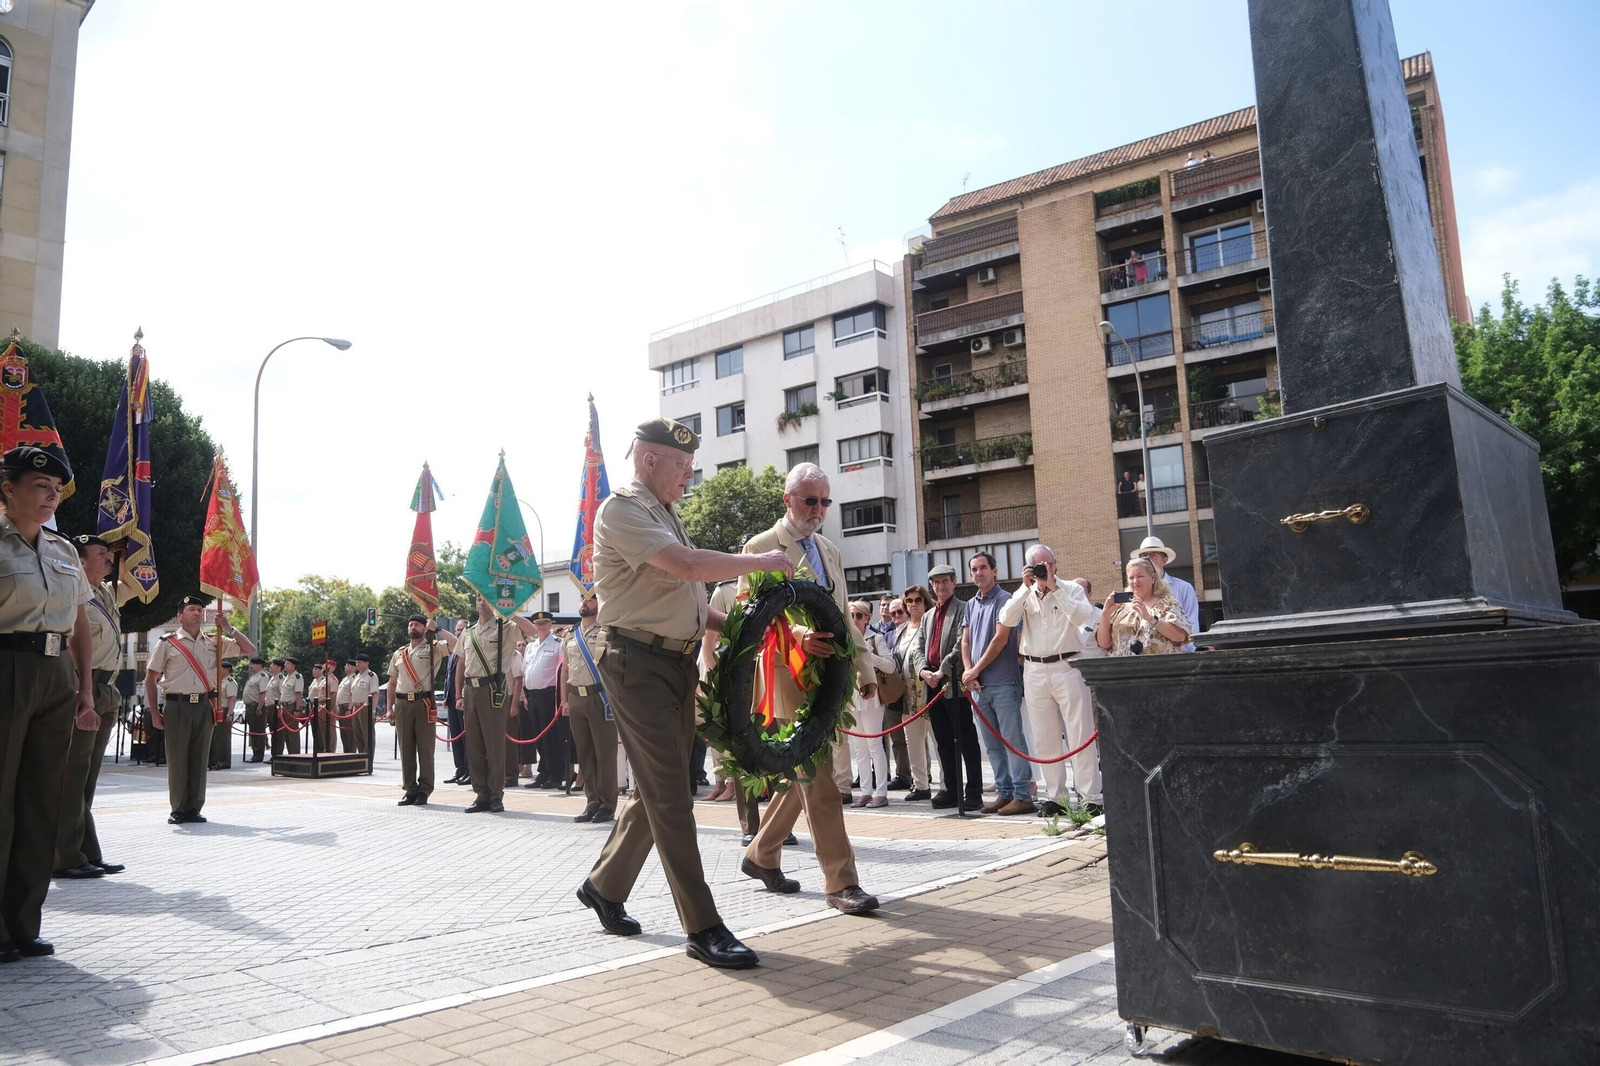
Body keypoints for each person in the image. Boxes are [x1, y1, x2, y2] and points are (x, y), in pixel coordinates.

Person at [578, 416, 794, 970]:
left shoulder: (665, 512)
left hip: (674, 662)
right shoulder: (622, 510)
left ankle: (605, 886)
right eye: (681, 464)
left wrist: (743, 624)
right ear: (649, 460)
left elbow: (689, 601)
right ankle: (703, 926)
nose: (689, 474)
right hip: (635, 663)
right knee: (673, 795)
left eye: (690, 465)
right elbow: (688, 567)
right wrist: (763, 562)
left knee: (660, 786)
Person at [738, 463, 881, 915]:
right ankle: (842, 882)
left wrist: (866, 670)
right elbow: (752, 617)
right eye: (809, 500)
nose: (818, 509)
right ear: (788, 500)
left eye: (825, 501)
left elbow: (843, 616)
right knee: (820, 783)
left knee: (801, 779)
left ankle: (761, 855)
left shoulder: (829, 550)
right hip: (787, 681)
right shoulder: (760, 547)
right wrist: (799, 637)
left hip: (829, 682)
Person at [0, 447, 96, 961]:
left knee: (42, 801)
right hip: (5, 666)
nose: (51, 495)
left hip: (56, 674)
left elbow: (79, 622)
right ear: (8, 488)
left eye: (56, 489)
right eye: (40, 485)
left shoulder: (62, 550)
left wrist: (84, 689)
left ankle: (23, 924)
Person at [986, 546, 1102, 818]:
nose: (1043, 569)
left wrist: (1055, 589)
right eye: (1037, 565)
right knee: (1045, 737)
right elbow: (1006, 618)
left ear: (1055, 563)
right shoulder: (1025, 593)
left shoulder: (1071, 589)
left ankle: (1092, 798)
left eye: (1047, 564)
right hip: (1035, 669)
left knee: (1080, 733)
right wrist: (1024, 588)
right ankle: (1056, 797)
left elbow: (1081, 616)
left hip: (1068, 665)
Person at [145, 594, 255, 825]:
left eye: (199, 609)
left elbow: (249, 649)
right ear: (179, 616)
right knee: (177, 758)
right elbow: (151, 678)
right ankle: (178, 808)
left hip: (205, 705)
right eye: (191, 609)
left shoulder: (214, 641)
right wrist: (154, 712)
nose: (196, 613)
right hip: (177, 705)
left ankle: (194, 807)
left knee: (200, 757)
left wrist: (229, 627)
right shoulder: (167, 642)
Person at [54, 533, 125, 880]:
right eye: (102, 553)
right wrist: (81, 692)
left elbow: (139, 581)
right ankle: (64, 855)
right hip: (86, 685)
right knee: (72, 775)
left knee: (88, 777)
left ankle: (85, 850)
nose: (109, 558)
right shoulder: (71, 593)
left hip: (107, 688)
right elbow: (69, 643)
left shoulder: (105, 593)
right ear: (81, 561)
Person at [960, 552, 1033, 816]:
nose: (978, 573)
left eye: (983, 567)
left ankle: (1023, 795)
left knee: (1013, 741)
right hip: (978, 687)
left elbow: (1000, 641)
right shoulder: (971, 604)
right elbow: (965, 641)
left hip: (1003, 682)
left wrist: (975, 670)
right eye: (974, 569)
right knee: (991, 745)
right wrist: (969, 672)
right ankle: (1005, 793)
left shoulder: (1006, 600)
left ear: (994, 570)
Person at [459, 595, 540, 813]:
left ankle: (496, 795)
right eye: (478, 599)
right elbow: (461, 662)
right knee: (474, 745)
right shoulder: (469, 631)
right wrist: (458, 694)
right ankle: (481, 794)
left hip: (493, 688)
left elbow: (531, 630)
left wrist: (509, 612)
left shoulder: (506, 627)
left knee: (494, 745)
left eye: (486, 598)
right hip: (471, 689)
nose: (482, 602)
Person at [914, 565, 983, 812]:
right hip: (932, 684)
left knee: (966, 740)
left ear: (954, 582)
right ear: (931, 586)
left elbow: (961, 644)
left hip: (954, 682)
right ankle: (952, 791)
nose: (940, 586)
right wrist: (923, 671)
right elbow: (918, 647)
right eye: (936, 582)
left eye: (945, 581)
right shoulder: (927, 616)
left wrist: (942, 671)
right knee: (943, 740)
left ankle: (973, 792)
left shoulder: (964, 608)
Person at [388, 614, 455, 807]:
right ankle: (410, 789)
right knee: (406, 749)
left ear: (425, 628)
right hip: (402, 703)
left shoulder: (433, 648)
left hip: (423, 702)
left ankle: (425, 789)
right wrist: (390, 707)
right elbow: (392, 682)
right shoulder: (399, 653)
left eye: (417, 624)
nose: (412, 627)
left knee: (425, 749)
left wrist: (438, 629)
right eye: (410, 624)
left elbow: (457, 644)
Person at [561, 593, 616, 822]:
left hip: (600, 696)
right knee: (584, 753)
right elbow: (565, 669)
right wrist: (564, 700)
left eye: (591, 598)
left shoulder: (607, 631)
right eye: (583, 598)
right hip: (576, 697)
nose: (585, 602)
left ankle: (607, 805)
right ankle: (592, 802)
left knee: (604, 754)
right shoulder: (571, 634)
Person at [846, 600, 895, 808]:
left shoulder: (876, 638)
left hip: (872, 699)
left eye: (859, 615)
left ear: (867, 618)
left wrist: (869, 655)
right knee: (859, 747)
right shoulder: (845, 638)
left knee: (875, 745)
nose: (855, 619)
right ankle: (865, 791)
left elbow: (891, 666)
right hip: (851, 698)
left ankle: (881, 792)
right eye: (851, 615)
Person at [1098, 557, 1192, 657]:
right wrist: (1105, 614)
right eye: (1131, 578)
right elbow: (1104, 644)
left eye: (1140, 576)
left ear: (1153, 578)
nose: (1135, 581)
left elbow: (1180, 636)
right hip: (1124, 666)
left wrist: (1150, 618)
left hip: (1158, 665)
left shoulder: (1167, 603)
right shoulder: (1121, 607)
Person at [894, 585, 934, 801]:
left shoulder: (932, 623)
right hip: (907, 695)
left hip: (930, 692)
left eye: (918, 600)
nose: (913, 604)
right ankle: (921, 786)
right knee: (913, 743)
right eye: (908, 601)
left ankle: (948, 786)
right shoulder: (902, 630)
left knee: (939, 741)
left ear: (925, 602)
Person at [1131, 535, 1199, 651]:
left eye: (1153, 555)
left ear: (1165, 560)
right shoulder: (1134, 591)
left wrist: (1186, 652)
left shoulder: (1183, 588)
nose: (1148, 559)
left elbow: (1192, 626)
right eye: (1144, 556)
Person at [522, 610, 563, 788]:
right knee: (538, 736)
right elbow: (525, 671)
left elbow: (562, 670)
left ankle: (556, 773)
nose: (541, 626)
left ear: (550, 624)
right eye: (538, 624)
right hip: (532, 695)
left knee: (550, 737)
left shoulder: (558, 644)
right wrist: (525, 695)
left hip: (549, 694)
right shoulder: (530, 646)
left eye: (545, 623)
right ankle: (544, 771)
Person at [877, 597, 911, 790]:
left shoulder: (914, 631)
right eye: (893, 613)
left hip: (912, 691)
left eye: (899, 612)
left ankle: (922, 775)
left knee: (915, 738)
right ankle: (903, 775)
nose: (896, 616)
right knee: (897, 738)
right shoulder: (887, 636)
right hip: (893, 692)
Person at [444, 620, 469, 785]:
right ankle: (460, 769)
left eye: (461, 630)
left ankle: (469, 769)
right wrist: (447, 696)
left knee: (467, 737)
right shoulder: (454, 652)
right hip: (453, 700)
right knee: (456, 736)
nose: (458, 633)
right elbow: (449, 676)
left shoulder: (467, 649)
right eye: (457, 630)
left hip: (464, 699)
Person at [209, 665, 239, 769]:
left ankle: (224, 761)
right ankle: (216, 760)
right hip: (216, 710)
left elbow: (232, 699)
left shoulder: (230, 682)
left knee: (223, 737)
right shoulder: (218, 681)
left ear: (226, 670)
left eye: (220, 668)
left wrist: (229, 714)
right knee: (216, 737)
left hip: (225, 710)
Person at [348, 652, 379, 752]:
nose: (357, 664)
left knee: (368, 735)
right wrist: (351, 708)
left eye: (360, 662)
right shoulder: (356, 677)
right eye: (356, 662)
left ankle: (368, 758)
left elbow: (375, 694)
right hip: (356, 708)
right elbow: (353, 694)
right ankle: (361, 757)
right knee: (358, 736)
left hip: (366, 707)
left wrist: (373, 710)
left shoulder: (371, 676)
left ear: (367, 663)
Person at [241, 656, 269, 762]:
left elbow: (263, 693)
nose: (251, 666)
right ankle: (255, 753)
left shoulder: (262, 676)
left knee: (258, 731)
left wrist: (259, 707)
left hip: (256, 706)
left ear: (259, 665)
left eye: (253, 664)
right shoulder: (253, 677)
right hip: (250, 707)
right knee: (253, 731)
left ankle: (258, 754)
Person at [276, 656, 305, 754]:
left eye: (287, 663)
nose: (285, 665)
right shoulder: (287, 677)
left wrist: (297, 709)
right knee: (286, 734)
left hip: (291, 706)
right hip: (284, 707)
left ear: (293, 665)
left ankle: (295, 755)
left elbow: (298, 694)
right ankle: (290, 754)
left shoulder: (297, 677)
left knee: (292, 732)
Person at [305, 662, 332, 753]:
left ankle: (321, 749)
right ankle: (317, 749)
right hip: (311, 706)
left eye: (316, 669)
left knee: (320, 729)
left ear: (321, 671)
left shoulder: (323, 680)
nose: (313, 671)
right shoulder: (314, 681)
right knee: (314, 729)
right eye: (313, 669)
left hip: (319, 706)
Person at [264, 659, 285, 759]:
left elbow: (282, 694)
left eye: (272, 665)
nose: (270, 667)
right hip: (269, 708)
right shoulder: (273, 678)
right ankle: (273, 755)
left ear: (278, 667)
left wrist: (280, 707)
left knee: (278, 734)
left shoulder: (281, 679)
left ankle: (278, 755)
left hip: (276, 708)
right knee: (273, 733)